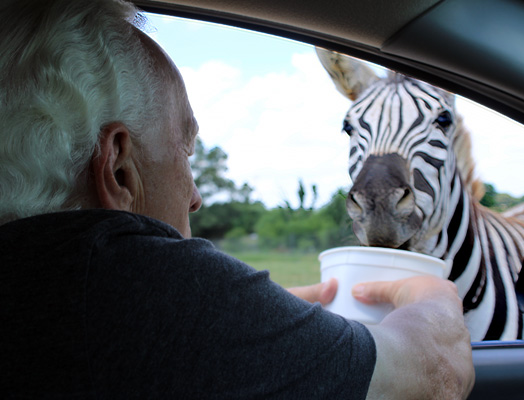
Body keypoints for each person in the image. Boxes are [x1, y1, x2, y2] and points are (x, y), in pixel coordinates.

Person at [0, 0, 474, 398]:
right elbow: (435, 371)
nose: (195, 197)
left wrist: (269, 313)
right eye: (185, 151)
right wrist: (431, 296)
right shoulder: (137, 285)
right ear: (120, 169)